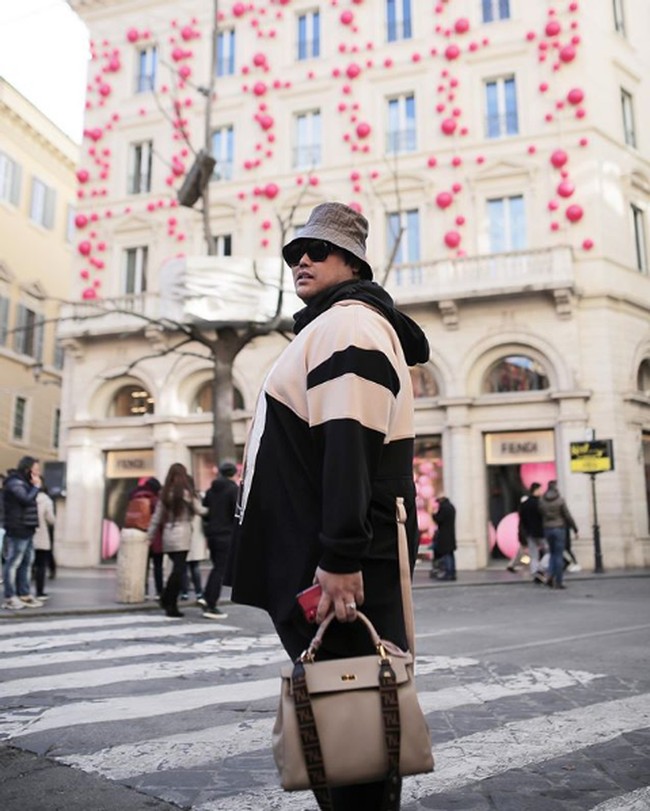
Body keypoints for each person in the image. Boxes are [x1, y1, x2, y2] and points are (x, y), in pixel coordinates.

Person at [227, 202, 430, 810]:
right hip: (326, 555)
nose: (302, 260)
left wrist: (342, 555)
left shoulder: (349, 325)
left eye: (318, 250)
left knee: (356, 726)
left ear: (354, 261)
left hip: (342, 558)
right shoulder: (332, 326)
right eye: (295, 252)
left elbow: (350, 443)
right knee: (347, 722)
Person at [147, 463, 206, 618]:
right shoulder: (186, 493)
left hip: (168, 533)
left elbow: (157, 517)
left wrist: (149, 536)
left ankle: (166, 598)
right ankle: (169, 602)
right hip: (182, 534)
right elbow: (200, 510)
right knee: (179, 571)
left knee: (177, 569)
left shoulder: (164, 493)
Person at [2, 456, 43, 610]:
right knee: (13, 563)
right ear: (28, 469)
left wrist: (34, 487)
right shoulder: (14, 483)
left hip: (27, 528)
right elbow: (25, 499)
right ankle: (9, 597)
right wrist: (36, 487)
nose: (38, 472)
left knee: (26, 563)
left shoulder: (25, 483)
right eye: (36, 469)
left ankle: (24, 594)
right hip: (17, 528)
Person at [200, 461, 238, 619]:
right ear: (233, 473)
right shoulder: (233, 489)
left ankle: (206, 596)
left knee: (216, 567)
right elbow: (235, 512)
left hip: (212, 534)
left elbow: (206, 511)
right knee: (220, 570)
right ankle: (211, 604)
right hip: (226, 534)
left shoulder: (210, 491)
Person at [124, 477, 163, 599]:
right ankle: (159, 591)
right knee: (158, 566)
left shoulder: (134, 497)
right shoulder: (155, 500)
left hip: (137, 534)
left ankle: (143, 590)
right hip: (154, 537)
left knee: (142, 566)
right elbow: (158, 519)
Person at [539, 480, 578, 590]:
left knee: (552, 554)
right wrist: (575, 529)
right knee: (558, 555)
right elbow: (567, 515)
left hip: (547, 528)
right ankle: (559, 581)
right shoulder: (560, 501)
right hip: (559, 528)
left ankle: (550, 576)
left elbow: (541, 512)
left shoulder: (542, 501)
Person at [517, 482, 547, 583]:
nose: (541, 492)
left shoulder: (524, 504)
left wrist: (523, 533)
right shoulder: (540, 503)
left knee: (533, 555)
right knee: (550, 551)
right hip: (540, 531)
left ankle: (535, 574)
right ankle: (540, 568)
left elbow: (522, 520)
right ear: (536, 490)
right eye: (540, 489)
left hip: (529, 532)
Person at [33, 487, 56, 599]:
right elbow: (51, 519)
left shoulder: (29, 497)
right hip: (42, 536)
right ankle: (39, 591)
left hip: (29, 534)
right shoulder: (47, 500)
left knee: (25, 565)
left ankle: (22, 592)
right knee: (41, 565)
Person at [430, 495, 457, 581]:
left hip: (444, 535)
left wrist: (433, 515)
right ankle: (452, 572)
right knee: (450, 554)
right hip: (450, 534)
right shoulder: (451, 507)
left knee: (446, 555)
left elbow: (439, 519)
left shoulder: (444, 508)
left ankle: (448, 573)